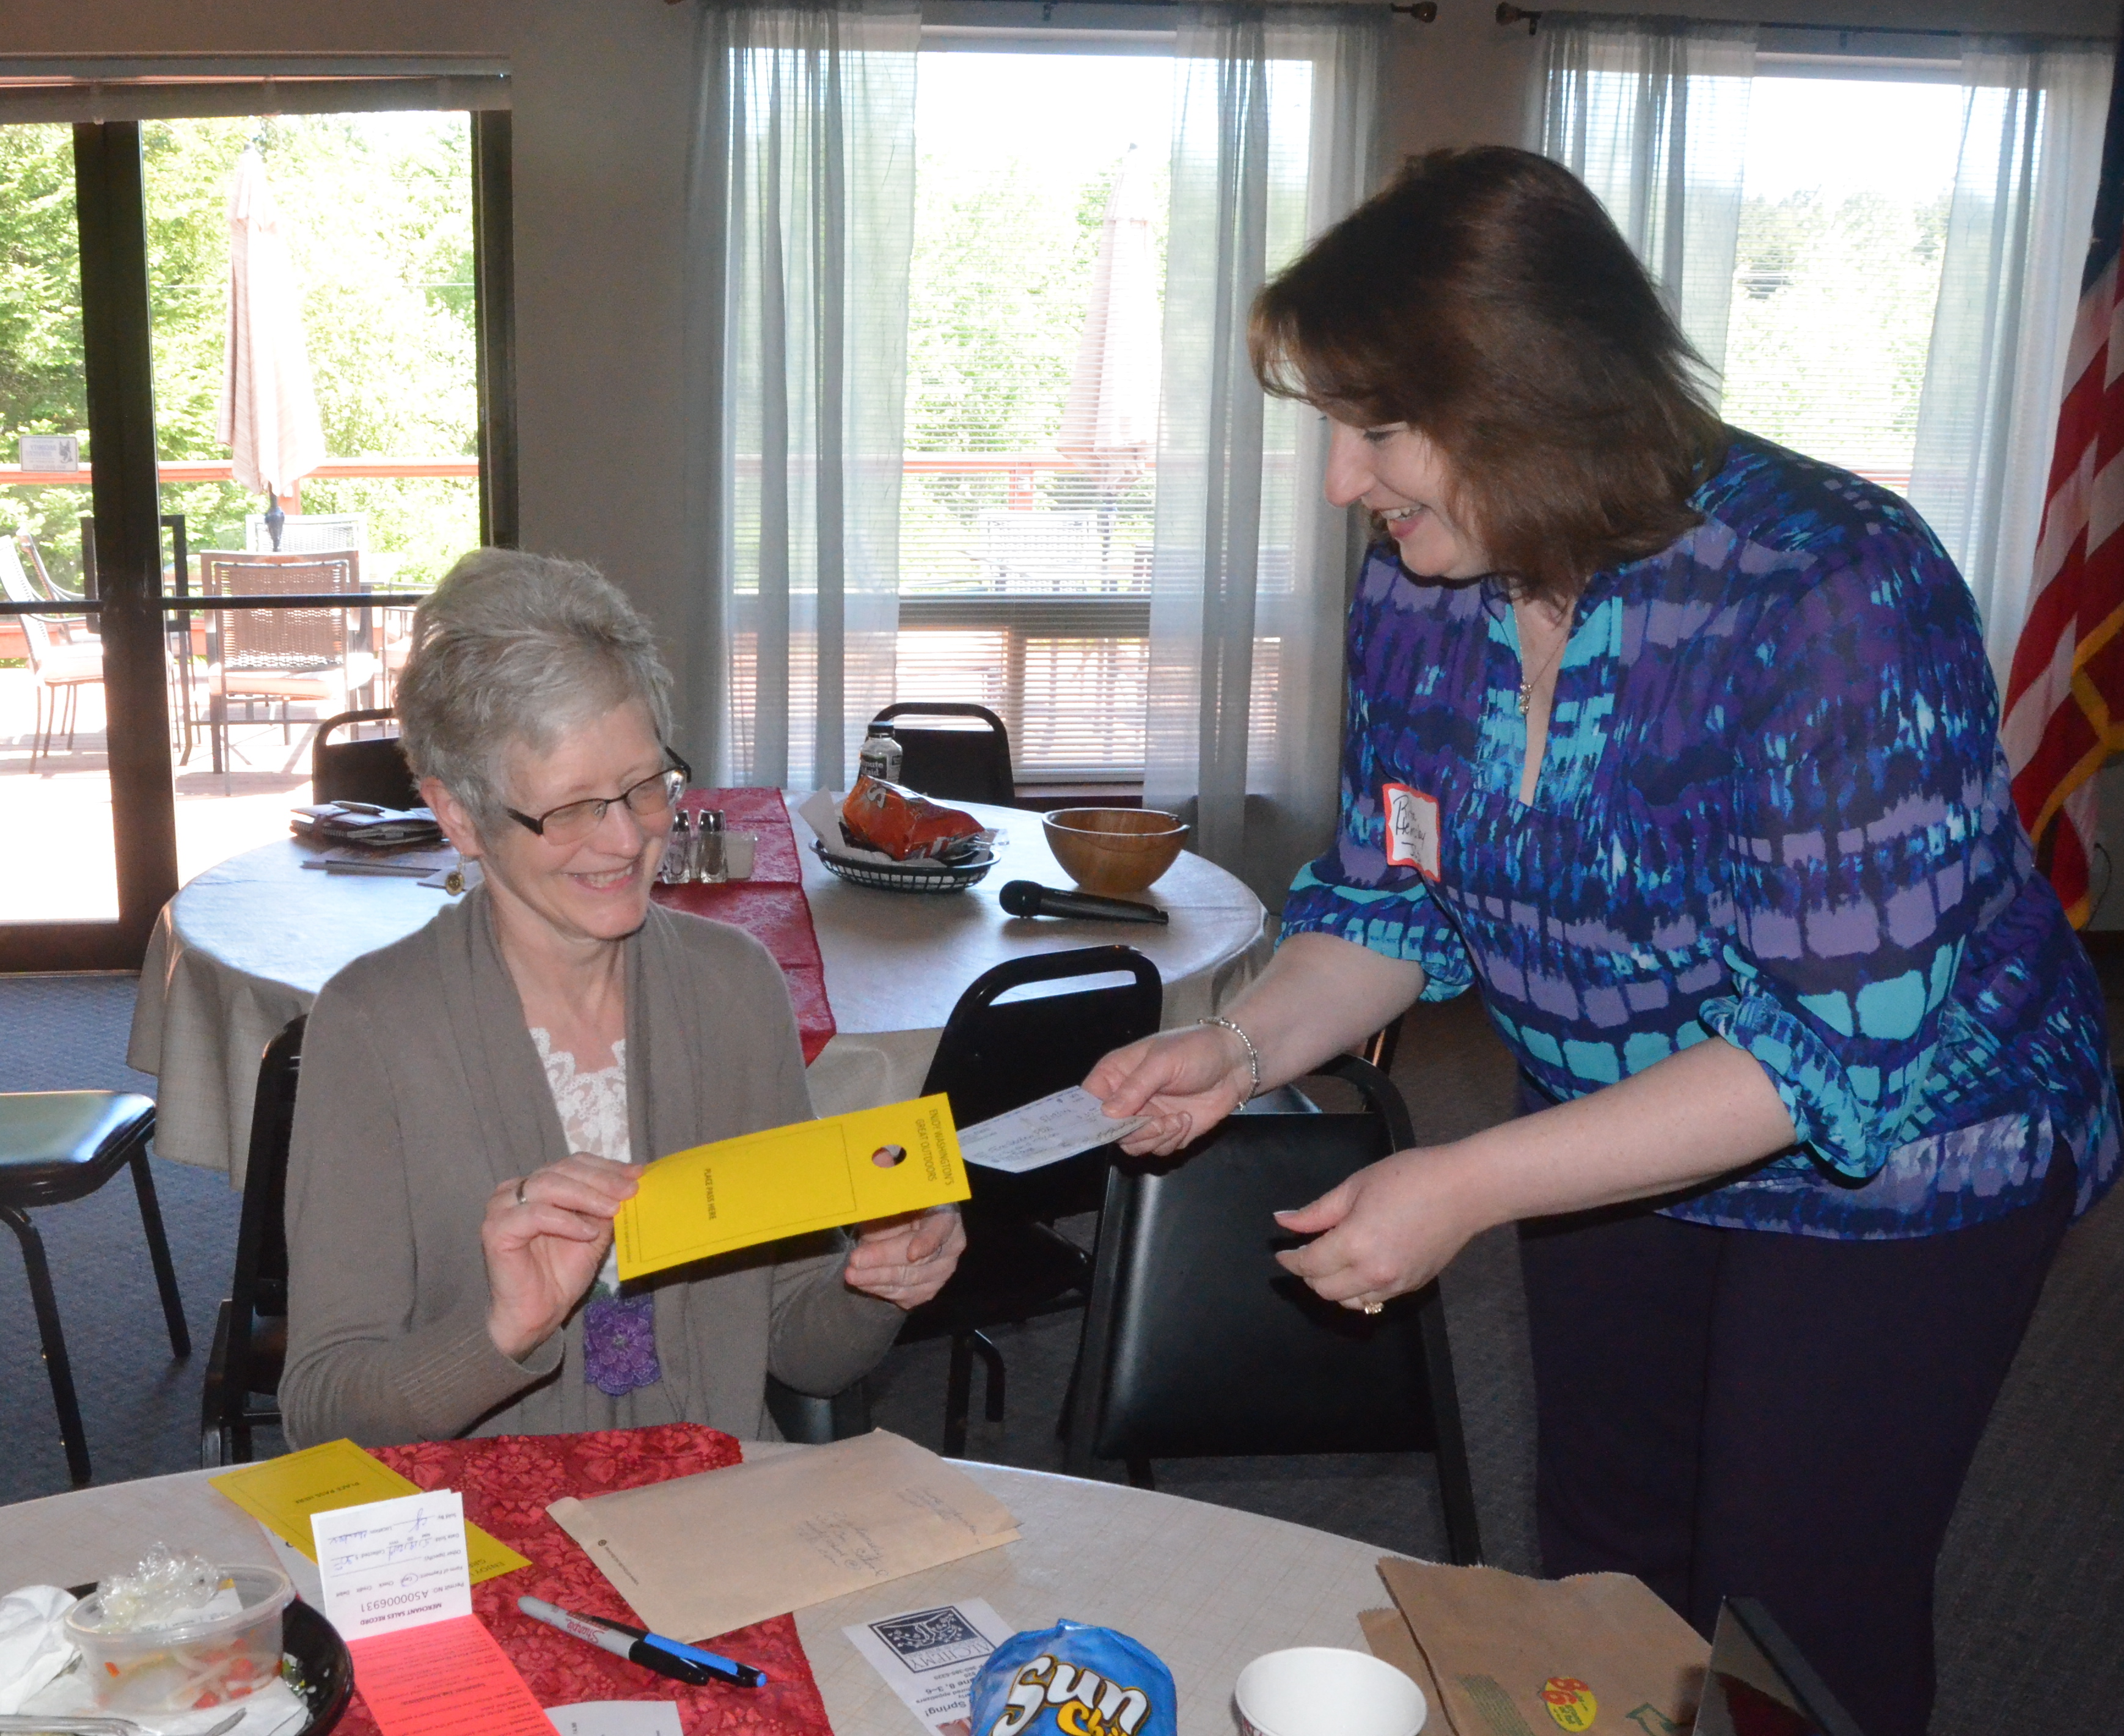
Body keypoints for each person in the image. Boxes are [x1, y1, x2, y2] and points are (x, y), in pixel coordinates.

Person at [1086, 147, 2117, 1736]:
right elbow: (1393, 896)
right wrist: (1236, 1043)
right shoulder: (1419, 590)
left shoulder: (1829, 583)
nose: (1342, 480)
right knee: (1605, 1570)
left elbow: (1831, 1051)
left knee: (1793, 1606)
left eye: (1377, 429)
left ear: (1527, 395)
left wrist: (1465, 1182)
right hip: (1604, 1116)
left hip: (1907, 1158)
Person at [282, 549, 964, 1447]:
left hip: (716, 1501)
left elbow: (801, 1350)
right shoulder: (374, 1027)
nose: (626, 839)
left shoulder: (734, 987)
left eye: (645, 787)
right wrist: (501, 1333)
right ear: (457, 816)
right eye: (569, 809)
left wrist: (873, 1284)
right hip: (480, 1519)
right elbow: (323, 1412)